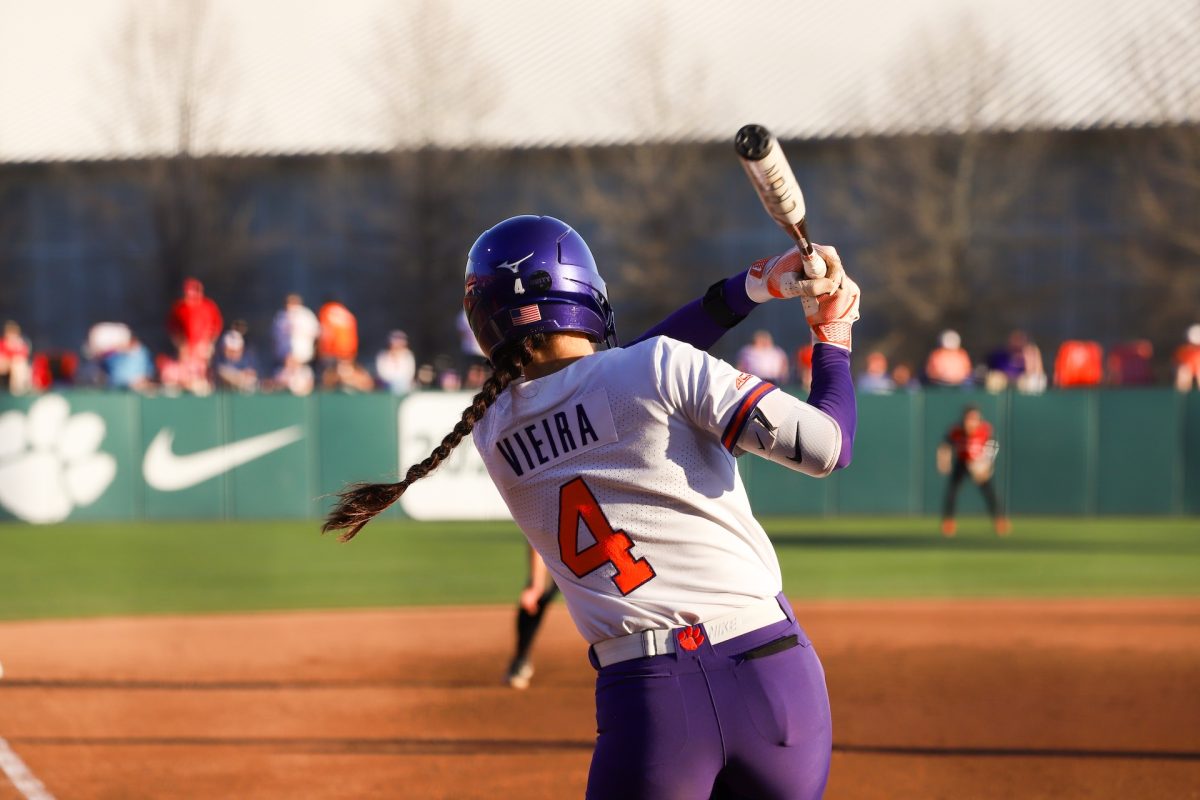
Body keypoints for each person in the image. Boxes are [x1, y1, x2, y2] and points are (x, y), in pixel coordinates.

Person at [324, 215, 861, 799]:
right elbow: (829, 446)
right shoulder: (657, 367)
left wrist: (752, 287)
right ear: (584, 290)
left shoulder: (493, 434)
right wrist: (831, 338)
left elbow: (625, 371)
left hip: (649, 701)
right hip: (773, 675)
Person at [937, 405, 1009, 537]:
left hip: (978, 463)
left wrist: (986, 465)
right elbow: (945, 446)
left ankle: (999, 521)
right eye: (969, 419)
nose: (971, 422)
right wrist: (944, 462)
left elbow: (993, 446)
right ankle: (948, 523)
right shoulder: (956, 430)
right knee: (952, 492)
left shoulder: (985, 429)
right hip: (962, 463)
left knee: (990, 494)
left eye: (974, 418)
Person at [166, 278, 222, 392]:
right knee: (184, 376)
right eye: (188, 291)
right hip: (186, 349)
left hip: (203, 348)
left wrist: (208, 343)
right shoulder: (179, 308)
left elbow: (216, 326)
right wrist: (181, 344)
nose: (191, 294)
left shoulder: (208, 306)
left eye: (194, 291)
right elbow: (172, 328)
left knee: (205, 375)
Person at [272, 294, 320, 396]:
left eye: (292, 303)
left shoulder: (306, 315)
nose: (290, 306)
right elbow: (275, 339)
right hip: (284, 362)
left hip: (303, 360)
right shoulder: (281, 317)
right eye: (288, 303)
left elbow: (316, 335)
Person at [214, 328, 259, 393]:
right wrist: (238, 377)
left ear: (241, 349)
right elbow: (220, 372)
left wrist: (238, 378)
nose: (232, 354)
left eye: (236, 351)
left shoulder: (248, 358)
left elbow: (252, 377)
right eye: (229, 350)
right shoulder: (218, 357)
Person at [375, 330, 417, 395]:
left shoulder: (408, 356)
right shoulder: (383, 355)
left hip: (405, 388)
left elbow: (409, 374)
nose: (397, 344)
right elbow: (382, 374)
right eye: (395, 341)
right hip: (387, 388)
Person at [0, 320, 32, 394]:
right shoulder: (2, 343)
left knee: (19, 365)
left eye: (14, 333)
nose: (12, 335)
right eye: (10, 333)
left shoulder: (20, 344)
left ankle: (18, 391)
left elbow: (23, 357)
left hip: (14, 367)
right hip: (4, 366)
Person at [1175, 324, 1200, 392]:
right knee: (1183, 372)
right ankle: (1182, 398)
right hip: (1188, 373)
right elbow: (1178, 364)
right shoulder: (1183, 351)